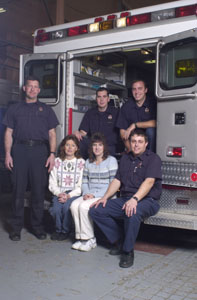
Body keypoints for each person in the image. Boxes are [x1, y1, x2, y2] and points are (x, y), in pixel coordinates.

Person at [89, 128, 162, 268]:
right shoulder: (125, 158)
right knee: (96, 210)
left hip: (148, 200)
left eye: (140, 142)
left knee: (132, 211)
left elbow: (149, 182)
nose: (136, 145)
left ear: (146, 144)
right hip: (126, 198)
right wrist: (104, 198)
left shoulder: (153, 159)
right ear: (130, 142)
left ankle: (128, 252)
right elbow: (117, 181)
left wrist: (134, 200)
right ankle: (119, 241)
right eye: (133, 141)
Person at [3, 76, 59, 241]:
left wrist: (52, 153)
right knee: (18, 190)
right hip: (19, 150)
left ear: (39, 90)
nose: (33, 89)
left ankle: (37, 227)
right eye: (30, 86)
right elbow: (8, 133)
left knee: (38, 191)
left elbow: (52, 133)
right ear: (24, 89)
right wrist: (7, 154)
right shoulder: (14, 109)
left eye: (36, 87)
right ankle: (15, 228)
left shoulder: (46, 110)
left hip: (40, 151)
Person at [70, 132, 118, 252]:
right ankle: (81, 238)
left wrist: (94, 195)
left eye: (100, 145)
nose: (97, 148)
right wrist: (86, 193)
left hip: (105, 195)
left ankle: (89, 239)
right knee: (74, 205)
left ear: (104, 147)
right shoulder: (88, 162)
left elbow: (113, 184)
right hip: (90, 194)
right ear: (91, 147)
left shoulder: (111, 161)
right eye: (94, 145)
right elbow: (84, 181)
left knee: (84, 207)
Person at [48, 135, 85, 241]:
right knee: (56, 209)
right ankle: (57, 230)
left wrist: (69, 195)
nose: (69, 148)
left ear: (76, 148)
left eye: (73, 145)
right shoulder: (57, 161)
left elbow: (81, 184)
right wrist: (59, 193)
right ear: (63, 147)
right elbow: (52, 182)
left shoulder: (81, 162)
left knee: (66, 207)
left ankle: (65, 230)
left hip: (74, 193)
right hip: (59, 192)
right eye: (67, 145)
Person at [74, 87, 120, 159]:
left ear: (108, 99)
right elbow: (83, 132)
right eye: (99, 97)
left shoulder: (116, 113)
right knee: (78, 141)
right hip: (93, 145)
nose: (101, 99)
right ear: (96, 99)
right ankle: (80, 165)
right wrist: (78, 133)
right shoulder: (90, 113)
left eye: (104, 96)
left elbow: (122, 130)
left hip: (109, 146)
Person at [116, 79, 156, 152]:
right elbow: (122, 131)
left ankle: (149, 156)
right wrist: (130, 149)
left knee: (151, 131)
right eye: (134, 89)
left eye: (140, 89)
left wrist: (135, 125)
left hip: (148, 139)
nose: (137, 92)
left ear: (145, 90)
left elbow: (156, 123)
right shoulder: (126, 107)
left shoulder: (153, 103)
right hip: (133, 140)